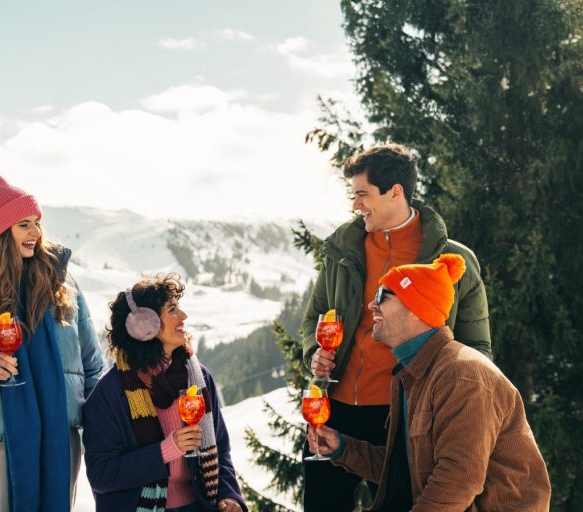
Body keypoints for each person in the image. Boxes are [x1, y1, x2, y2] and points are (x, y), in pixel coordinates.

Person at [301, 143, 492, 510]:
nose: (355, 205)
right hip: (333, 411)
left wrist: (455, 416)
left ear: (395, 192)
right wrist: (314, 353)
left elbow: (476, 350)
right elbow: (315, 317)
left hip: (404, 417)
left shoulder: (452, 261)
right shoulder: (344, 250)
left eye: (362, 194)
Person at [307, 254, 551, 511]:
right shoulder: (413, 374)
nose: (371, 305)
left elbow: (458, 480)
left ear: (416, 308)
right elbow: (405, 470)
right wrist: (343, 448)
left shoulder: (462, 375)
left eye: (382, 296)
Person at [0, 172, 104, 512]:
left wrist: (100, 429)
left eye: (37, 223)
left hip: (60, 440)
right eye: (24, 225)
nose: (35, 233)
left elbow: (91, 365)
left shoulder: (62, 285)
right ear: (0, 231)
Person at [82, 274, 248, 512]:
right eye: (172, 310)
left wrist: (228, 496)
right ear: (144, 325)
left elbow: (220, 450)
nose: (183, 316)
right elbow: (102, 474)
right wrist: (166, 450)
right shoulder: (109, 394)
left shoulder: (198, 378)